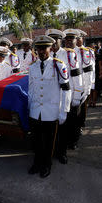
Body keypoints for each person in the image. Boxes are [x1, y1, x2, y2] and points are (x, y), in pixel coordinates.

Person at [28, 35, 70, 178]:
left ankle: (47, 164)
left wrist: (64, 111)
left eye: (44, 48)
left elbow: (66, 89)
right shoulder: (32, 66)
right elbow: (31, 89)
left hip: (51, 110)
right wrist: (29, 107)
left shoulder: (59, 65)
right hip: (35, 110)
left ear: (50, 49)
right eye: (38, 48)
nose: (41, 51)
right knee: (37, 140)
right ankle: (37, 162)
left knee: (49, 140)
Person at [45, 28, 82, 162]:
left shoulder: (69, 55)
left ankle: (62, 152)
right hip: (49, 98)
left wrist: (77, 96)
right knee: (49, 126)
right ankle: (51, 150)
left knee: (64, 126)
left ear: (61, 41)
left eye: (56, 40)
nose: (54, 43)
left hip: (64, 96)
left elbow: (77, 77)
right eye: (51, 41)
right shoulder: (44, 56)